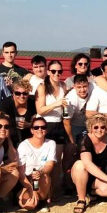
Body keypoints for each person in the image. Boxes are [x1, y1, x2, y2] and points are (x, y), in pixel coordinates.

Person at [70, 113, 107, 213]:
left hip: (97, 175)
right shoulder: (84, 139)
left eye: (102, 127)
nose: (99, 130)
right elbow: (87, 164)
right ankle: (81, 199)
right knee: (80, 165)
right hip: (81, 174)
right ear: (90, 128)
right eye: (95, 127)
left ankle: (91, 192)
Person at [36, 59, 69, 197]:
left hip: (59, 124)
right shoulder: (42, 86)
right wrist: (57, 104)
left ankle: (52, 190)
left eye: (59, 71)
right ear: (48, 72)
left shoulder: (63, 86)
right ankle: (42, 190)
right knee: (44, 159)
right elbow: (40, 109)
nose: (57, 74)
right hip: (45, 124)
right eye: (54, 71)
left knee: (57, 160)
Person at [17, 116, 57, 212]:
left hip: (40, 178)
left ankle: (42, 199)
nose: (40, 129)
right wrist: (30, 188)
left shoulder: (51, 143)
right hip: (27, 179)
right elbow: (21, 171)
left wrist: (41, 172)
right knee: (29, 205)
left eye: (43, 127)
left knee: (44, 176)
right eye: (36, 127)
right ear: (31, 130)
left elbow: (50, 165)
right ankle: (31, 196)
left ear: (46, 130)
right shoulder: (23, 145)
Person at [0, 78, 37, 147]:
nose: (21, 96)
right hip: (9, 138)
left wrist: (28, 125)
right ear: (13, 94)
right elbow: (2, 125)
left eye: (25, 93)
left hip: (29, 140)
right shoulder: (6, 103)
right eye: (18, 93)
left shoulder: (32, 103)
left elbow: (36, 122)